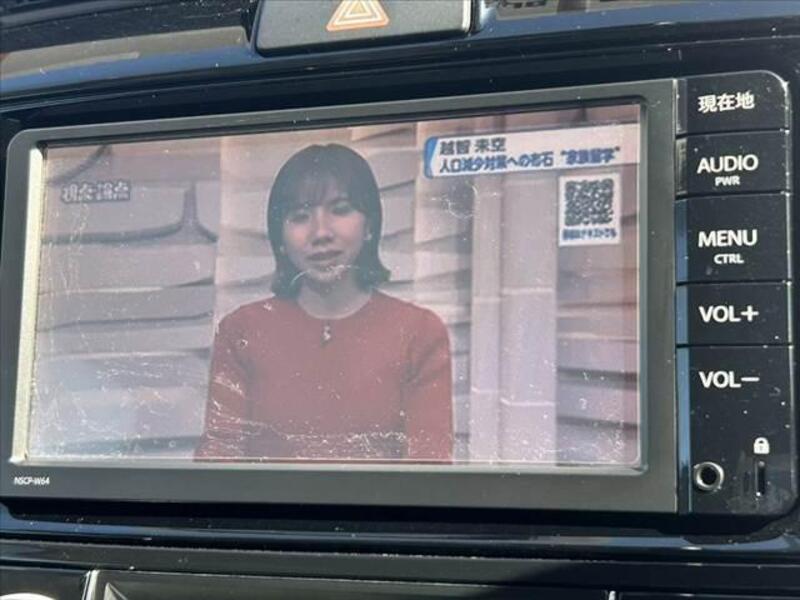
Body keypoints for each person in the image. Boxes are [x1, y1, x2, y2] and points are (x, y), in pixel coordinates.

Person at [196, 143, 453, 461]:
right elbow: (218, 459)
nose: (320, 232)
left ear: (369, 225)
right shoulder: (241, 330)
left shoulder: (420, 333)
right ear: (280, 238)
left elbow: (430, 466)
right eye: (300, 216)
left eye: (340, 209)